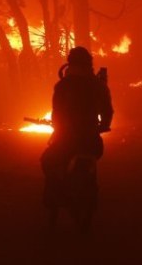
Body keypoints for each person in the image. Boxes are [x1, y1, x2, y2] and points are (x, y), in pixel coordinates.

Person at [41, 47, 113, 207]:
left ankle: (53, 197)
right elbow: (107, 111)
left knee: (46, 160)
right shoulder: (98, 86)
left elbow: (57, 112)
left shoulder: (62, 86)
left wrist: (58, 127)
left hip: (65, 141)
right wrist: (103, 126)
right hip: (92, 143)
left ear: (70, 63)